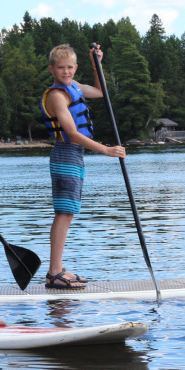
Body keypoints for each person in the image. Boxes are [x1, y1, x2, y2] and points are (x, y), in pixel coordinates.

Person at [39, 44, 126, 289]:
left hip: (75, 155)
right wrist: (106, 150)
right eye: (60, 68)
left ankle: (57, 269)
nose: (66, 72)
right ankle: (54, 272)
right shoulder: (57, 95)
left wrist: (95, 63)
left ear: (75, 68)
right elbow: (71, 133)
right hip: (66, 153)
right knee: (64, 212)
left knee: (68, 211)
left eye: (70, 67)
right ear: (52, 69)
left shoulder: (75, 87)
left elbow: (100, 91)